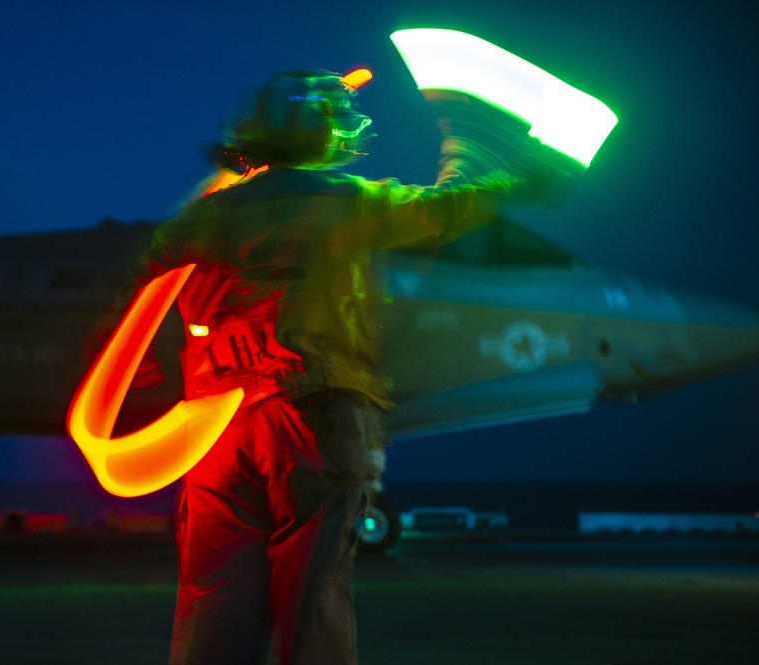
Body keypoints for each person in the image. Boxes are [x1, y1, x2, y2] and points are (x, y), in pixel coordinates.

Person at [112, 69, 565, 665]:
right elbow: (446, 210)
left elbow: (137, 289)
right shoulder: (347, 201)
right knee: (311, 600)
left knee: (216, 598)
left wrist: (145, 373)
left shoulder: (207, 216)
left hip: (215, 430)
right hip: (316, 415)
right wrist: (493, 164)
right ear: (321, 132)